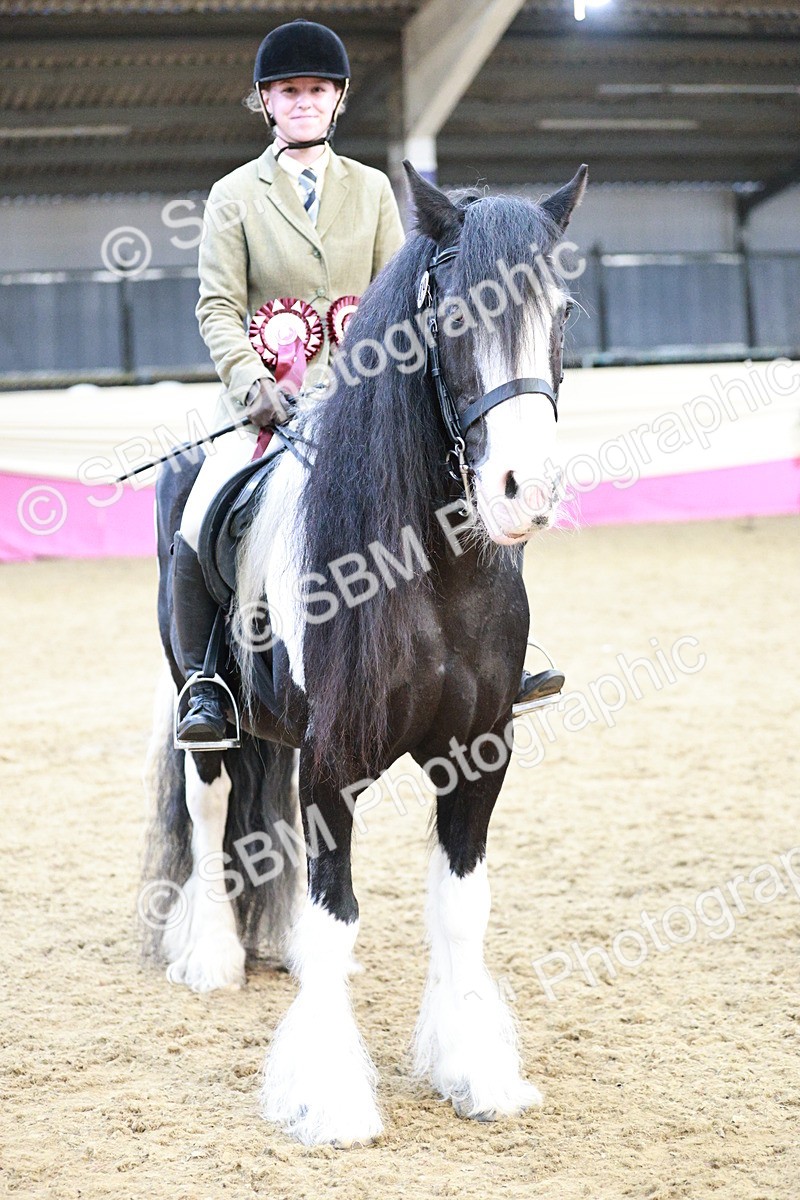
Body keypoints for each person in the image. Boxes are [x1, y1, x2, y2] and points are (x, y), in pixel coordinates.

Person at [172, 17, 563, 746]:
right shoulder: (235, 195)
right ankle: (208, 682)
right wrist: (252, 381)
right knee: (203, 506)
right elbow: (218, 305)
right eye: (288, 92)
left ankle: (501, 652)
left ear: (338, 100)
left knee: (467, 481)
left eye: (316, 90)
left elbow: (403, 291)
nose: (303, 103)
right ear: (265, 102)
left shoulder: (375, 189)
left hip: (367, 396)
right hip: (274, 406)